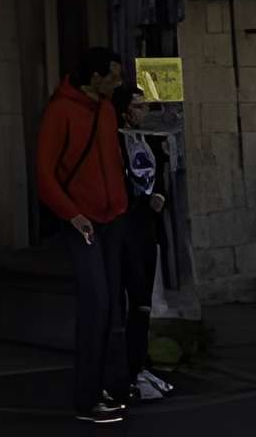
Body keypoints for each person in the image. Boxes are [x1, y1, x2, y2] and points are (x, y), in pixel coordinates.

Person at [35, 46, 129, 426]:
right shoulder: (60, 112)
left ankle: (108, 385)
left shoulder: (105, 110)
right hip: (83, 220)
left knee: (112, 305)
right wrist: (73, 215)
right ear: (94, 78)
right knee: (96, 303)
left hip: (111, 217)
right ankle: (87, 397)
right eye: (113, 76)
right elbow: (44, 173)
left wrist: (120, 204)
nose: (119, 82)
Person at [118, 84, 173, 402]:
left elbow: (159, 171)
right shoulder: (115, 140)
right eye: (138, 107)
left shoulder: (149, 138)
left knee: (143, 301)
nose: (143, 113)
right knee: (130, 300)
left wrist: (160, 195)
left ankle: (140, 364)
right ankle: (129, 368)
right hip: (127, 229)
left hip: (148, 229)